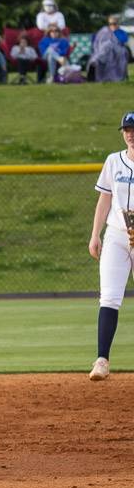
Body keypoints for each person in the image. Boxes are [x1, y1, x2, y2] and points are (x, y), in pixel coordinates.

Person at [87, 112, 134, 380]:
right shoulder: (113, 161)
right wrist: (95, 234)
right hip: (116, 234)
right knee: (109, 297)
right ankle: (102, 360)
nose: (130, 133)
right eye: (126, 129)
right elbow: (104, 200)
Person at [91, 15, 129, 82]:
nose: (112, 26)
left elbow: (123, 41)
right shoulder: (104, 31)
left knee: (108, 46)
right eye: (110, 24)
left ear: (117, 24)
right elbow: (96, 40)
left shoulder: (121, 32)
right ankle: (97, 59)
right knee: (106, 46)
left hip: (117, 50)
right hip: (104, 50)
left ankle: (97, 59)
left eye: (114, 24)